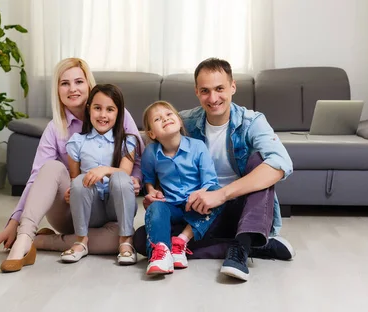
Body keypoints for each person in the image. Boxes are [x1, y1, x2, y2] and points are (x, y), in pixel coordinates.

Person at [133, 58, 295, 281]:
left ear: (233, 87)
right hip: (196, 209)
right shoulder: (184, 121)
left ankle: (241, 246)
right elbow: (154, 145)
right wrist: (152, 190)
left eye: (220, 89)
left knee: (260, 161)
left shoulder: (251, 122)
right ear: (197, 92)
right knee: (142, 239)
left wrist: (220, 195)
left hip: (240, 208)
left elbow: (281, 163)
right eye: (205, 91)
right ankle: (252, 245)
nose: (213, 98)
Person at [0, 58, 144, 273]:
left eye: (79, 82)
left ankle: (44, 243)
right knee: (51, 167)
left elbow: (135, 159)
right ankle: (25, 238)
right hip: (73, 207)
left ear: (89, 84)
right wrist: (15, 222)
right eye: (64, 83)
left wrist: (133, 180)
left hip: (110, 208)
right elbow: (37, 178)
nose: (73, 89)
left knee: (118, 241)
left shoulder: (119, 114)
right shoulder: (55, 129)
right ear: (57, 89)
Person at [140, 101, 224, 275]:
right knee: (155, 207)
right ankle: (161, 253)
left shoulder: (197, 146)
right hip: (172, 207)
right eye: (157, 119)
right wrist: (151, 191)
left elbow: (210, 180)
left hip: (197, 207)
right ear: (151, 133)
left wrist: (200, 194)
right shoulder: (150, 152)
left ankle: (181, 241)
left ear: (178, 120)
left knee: (217, 193)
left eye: (169, 114)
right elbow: (147, 178)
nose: (165, 119)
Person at [60, 84, 139, 265]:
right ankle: (81, 241)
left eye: (110, 109)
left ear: (118, 113)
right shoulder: (77, 141)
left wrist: (105, 169)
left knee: (120, 178)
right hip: (91, 210)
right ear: (89, 110)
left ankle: (125, 241)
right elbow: (74, 177)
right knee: (79, 181)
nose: (103, 115)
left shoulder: (128, 141)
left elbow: (125, 174)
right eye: (97, 108)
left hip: (117, 208)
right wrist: (72, 192)